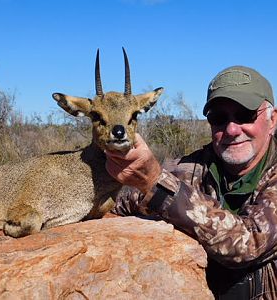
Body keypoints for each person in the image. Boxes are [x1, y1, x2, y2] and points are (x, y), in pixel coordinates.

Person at [105, 65, 277, 300]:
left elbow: (247, 243)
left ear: (273, 120)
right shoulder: (190, 169)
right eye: (218, 118)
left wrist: (156, 183)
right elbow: (121, 204)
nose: (231, 129)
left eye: (245, 115)